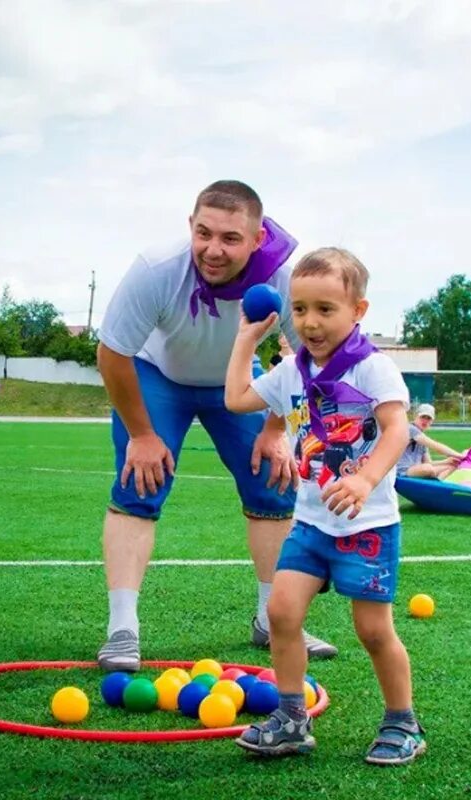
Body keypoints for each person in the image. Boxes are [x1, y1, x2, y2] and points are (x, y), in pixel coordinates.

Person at [94, 180, 336, 672]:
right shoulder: (157, 269)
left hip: (237, 386)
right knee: (140, 484)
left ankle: (274, 621)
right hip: (158, 376)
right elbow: (112, 353)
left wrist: (275, 428)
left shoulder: (286, 281)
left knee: (275, 483)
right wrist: (142, 435)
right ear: (190, 227)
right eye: (203, 233)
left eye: (230, 238)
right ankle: (122, 630)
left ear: (257, 239)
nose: (213, 249)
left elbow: (314, 360)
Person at [225, 247, 425, 765]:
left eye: (325, 309)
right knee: (282, 611)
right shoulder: (292, 372)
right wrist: (247, 337)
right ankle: (291, 717)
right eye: (300, 309)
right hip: (311, 523)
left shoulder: (374, 368)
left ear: (358, 310)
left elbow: (397, 429)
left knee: (373, 630)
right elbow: (238, 398)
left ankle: (403, 722)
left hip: (369, 524)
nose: (309, 322)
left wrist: (365, 480)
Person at [396, 403, 465, 479]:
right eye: (423, 417)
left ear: (432, 421)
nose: (425, 421)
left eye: (428, 418)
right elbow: (435, 446)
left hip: (417, 470)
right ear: (415, 417)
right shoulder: (410, 429)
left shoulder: (422, 438)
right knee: (428, 469)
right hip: (402, 471)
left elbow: (428, 462)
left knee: (452, 467)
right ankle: (434, 484)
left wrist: (446, 461)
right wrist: (459, 455)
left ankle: (436, 486)